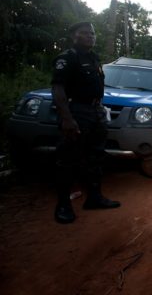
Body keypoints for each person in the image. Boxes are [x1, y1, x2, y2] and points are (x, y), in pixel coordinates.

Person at [51, 22, 120, 224]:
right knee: (68, 159)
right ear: (75, 36)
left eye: (92, 33)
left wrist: (98, 109)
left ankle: (94, 198)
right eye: (85, 33)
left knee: (96, 156)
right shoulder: (68, 58)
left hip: (96, 111)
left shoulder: (93, 58)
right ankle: (63, 205)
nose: (90, 36)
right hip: (77, 111)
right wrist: (67, 118)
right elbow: (58, 89)